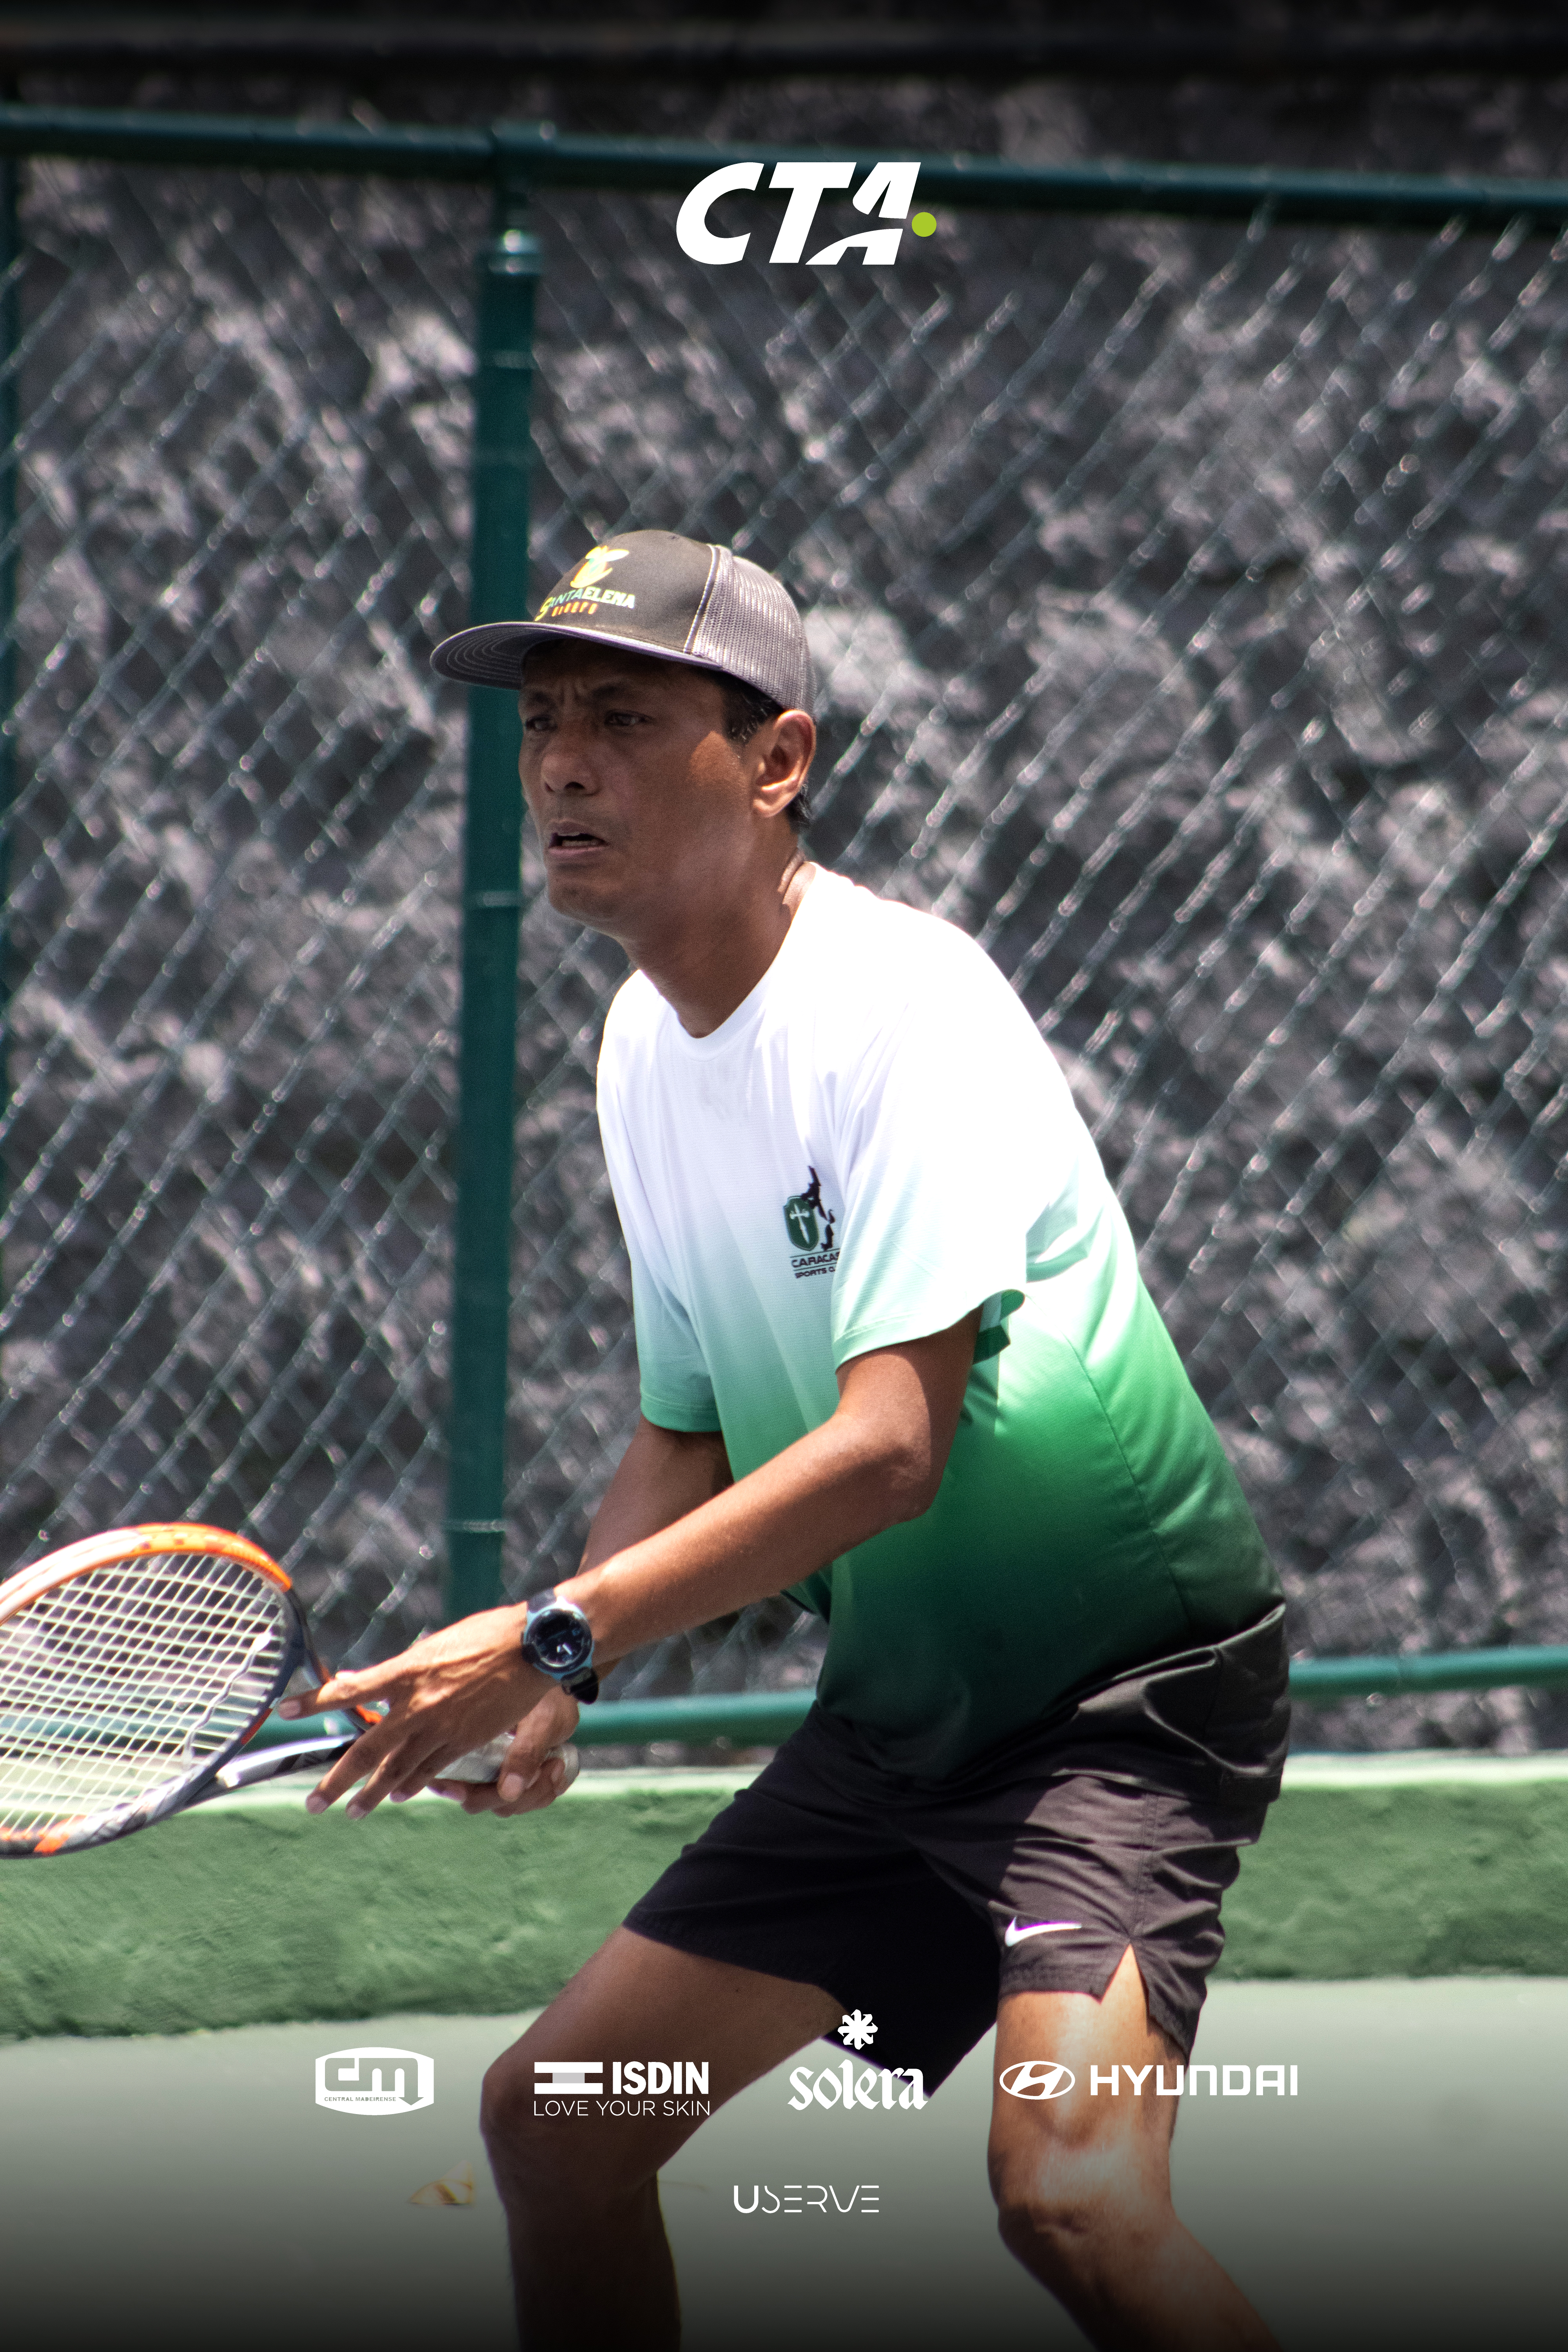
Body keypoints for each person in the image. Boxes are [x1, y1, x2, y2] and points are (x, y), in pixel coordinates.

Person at [283, 530, 1289, 2351]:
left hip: (1118, 1702)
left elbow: (886, 1446)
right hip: (902, 1718)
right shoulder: (639, 1050)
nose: (563, 760)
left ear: (775, 761)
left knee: (1072, 2200)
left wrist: (556, 1631)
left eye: (622, 715)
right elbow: (692, 1427)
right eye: (541, 724)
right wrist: (556, 1685)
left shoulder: (901, 1006)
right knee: (559, 2131)